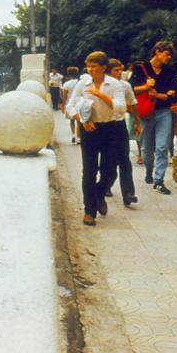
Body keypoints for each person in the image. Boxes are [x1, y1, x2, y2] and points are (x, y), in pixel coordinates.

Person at [66, 51, 126, 226]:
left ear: (103, 67)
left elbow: (121, 108)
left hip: (110, 128)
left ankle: (99, 193)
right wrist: (81, 120)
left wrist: (102, 95)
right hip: (89, 129)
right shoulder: (82, 84)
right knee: (89, 171)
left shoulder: (115, 84)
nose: (90, 70)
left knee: (109, 171)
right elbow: (71, 106)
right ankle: (89, 211)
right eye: (88, 66)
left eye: (94, 66)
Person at [130, 41, 177, 194]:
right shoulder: (140, 67)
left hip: (164, 112)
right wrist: (146, 87)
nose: (169, 57)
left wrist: (159, 95)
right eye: (166, 54)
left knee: (162, 147)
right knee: (146, 148)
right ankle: (149, 170)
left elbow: (173, 94)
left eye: (170, 55)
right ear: (157, 52)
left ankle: (159, 180)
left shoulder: (169, 71)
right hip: (145, 112)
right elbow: (131, 90)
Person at [108, 58, 141, 207]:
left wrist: (137, 122)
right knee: (108, 161)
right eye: (116, 70)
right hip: (104, 125)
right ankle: (106, 185)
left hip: (119, 124)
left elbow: (133, 104)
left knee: (124, 160)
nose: (119, 72)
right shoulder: (103, 86)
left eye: (121, 69)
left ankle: (128, 193)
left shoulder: (125, 86)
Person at [61, 67, 81, 144]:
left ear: (68, 74)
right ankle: (78, 138)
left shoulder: (66, 84)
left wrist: (63, 105)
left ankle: (73, 136)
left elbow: (64, 96)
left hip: (70, 104)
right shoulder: (79, 82)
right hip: (78, 103)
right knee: (79, 121)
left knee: (72, 121)